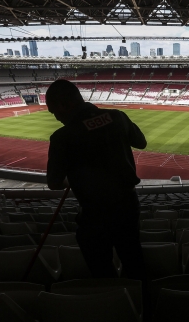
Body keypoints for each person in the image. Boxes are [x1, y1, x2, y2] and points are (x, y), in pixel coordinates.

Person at [45, 79, 147, 280]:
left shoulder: (62, 137)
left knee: (101, 270)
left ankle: (112, 303)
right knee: (134, 260)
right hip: (127, 206)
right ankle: (143, 304)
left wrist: (72, 180)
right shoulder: (117, 117)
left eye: (53, 112)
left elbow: (54, 183)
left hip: (95, 214)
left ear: (63, 105)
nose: (56, 118)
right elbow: (141, 143)